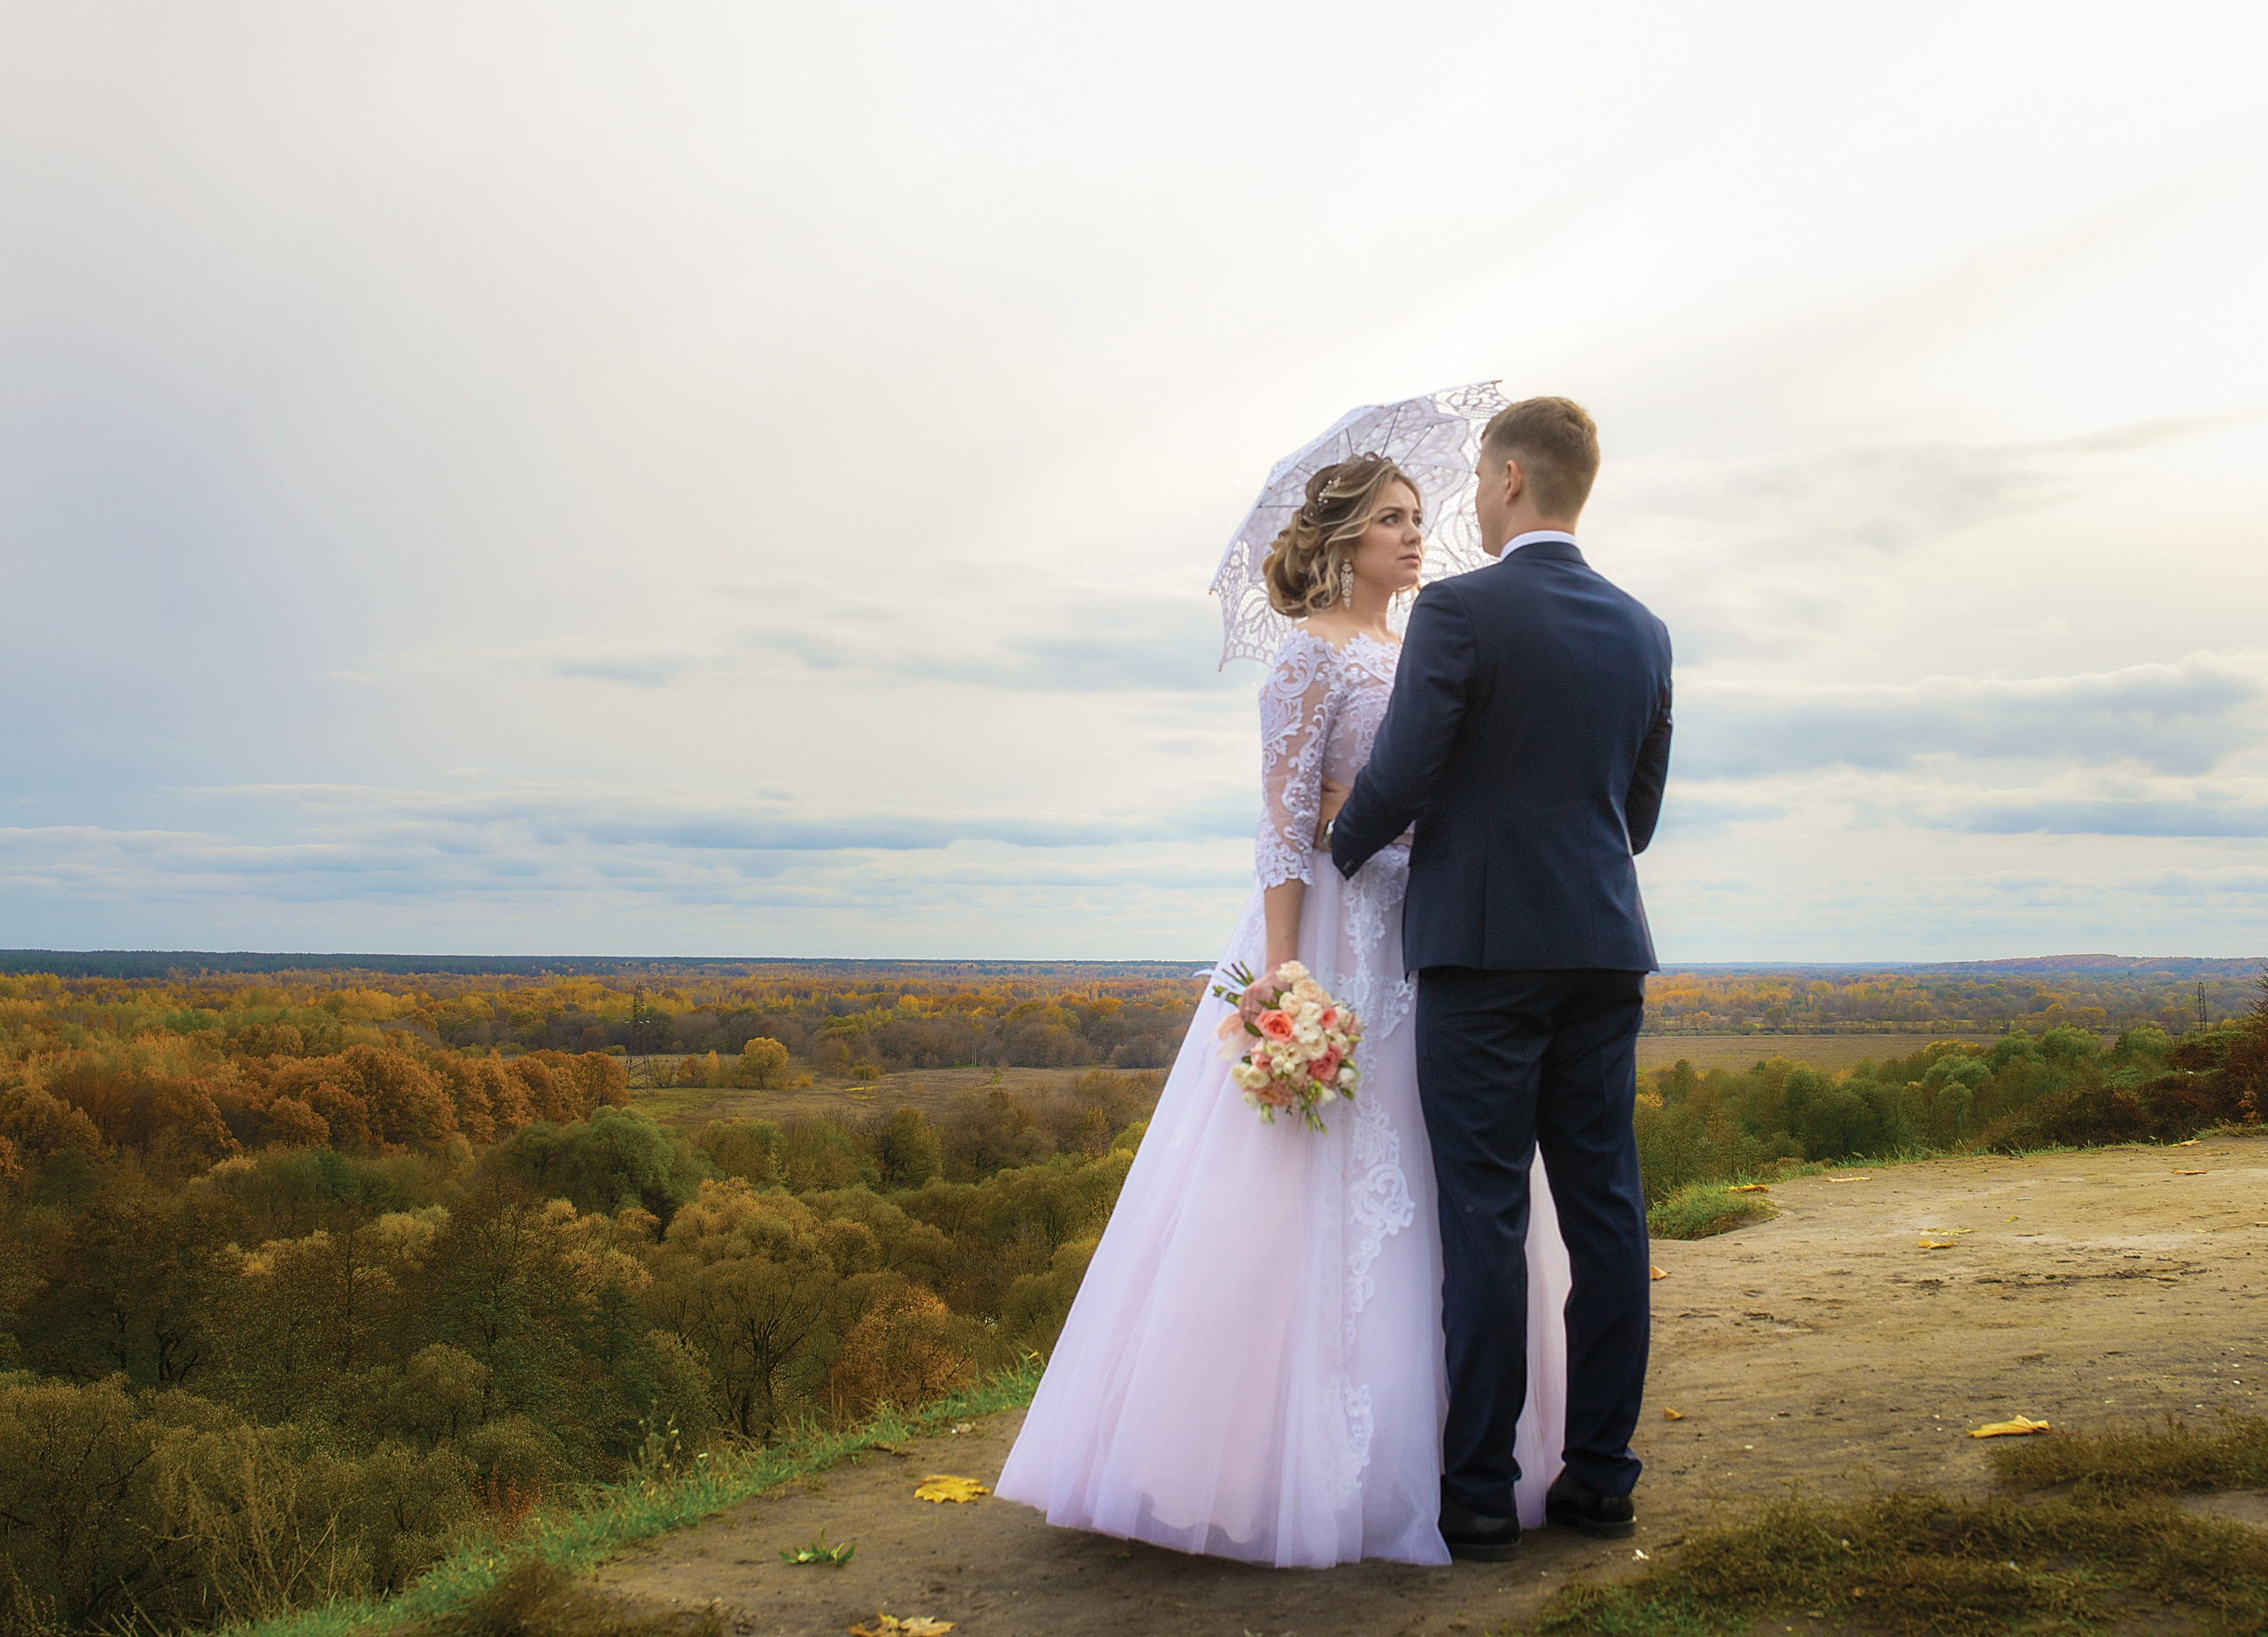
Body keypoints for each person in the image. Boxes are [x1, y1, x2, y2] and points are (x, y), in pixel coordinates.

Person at [996, 452, 1573, 1568]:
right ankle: (1269, 1464)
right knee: (1303, 1173)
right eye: (1395, 521)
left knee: (1450, 1171)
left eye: (1421, 519)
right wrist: (1280, 975)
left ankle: (1470, 1451)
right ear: (1343, 538)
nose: (1417, 537)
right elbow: (1281, 821)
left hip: (1429, 934)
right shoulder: (1307, 659)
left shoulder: (1423, 649)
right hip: (1330, 931)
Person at [1329, 396, 1673, 1558]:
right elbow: (1636, 818)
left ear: (1515, 479)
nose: (1471, 500)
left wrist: (1329, 851)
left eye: (1478, 479)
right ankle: (1602, 1480)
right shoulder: (1644, 630)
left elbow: (1404, 771)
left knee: (1482, 1217)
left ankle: (1478, 1490)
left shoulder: (1460, 612)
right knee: (1607, 1215)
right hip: (1602, 946)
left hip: (1480, 952)